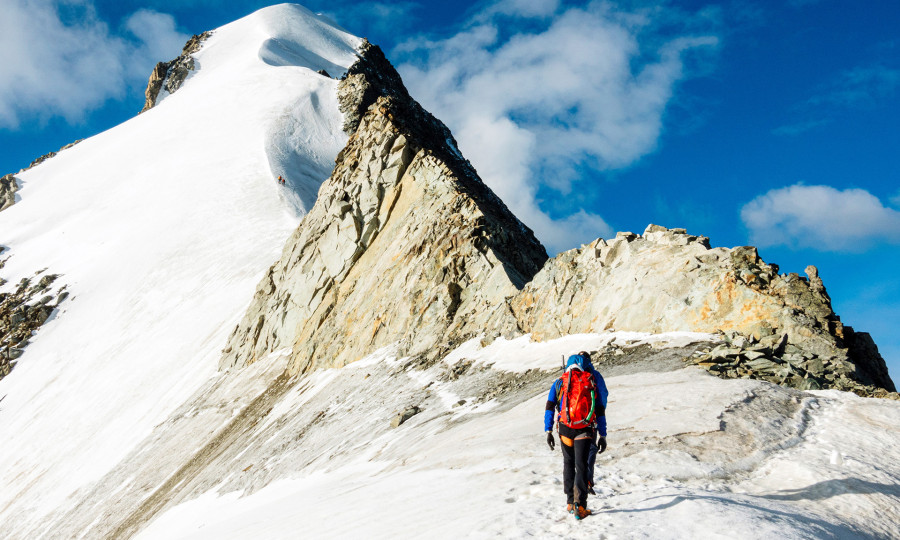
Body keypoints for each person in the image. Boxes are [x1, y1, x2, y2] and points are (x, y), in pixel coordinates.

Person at [544, 352, 608, 520]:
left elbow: (550, 406)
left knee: (568, 463)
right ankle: (581, 506)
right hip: (585, 429)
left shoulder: (559, 383)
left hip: (565, 429)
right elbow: (599, 409)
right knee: (581, 466)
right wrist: (603, 434)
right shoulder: (590, 380)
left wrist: (548, 430)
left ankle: (570, 502)